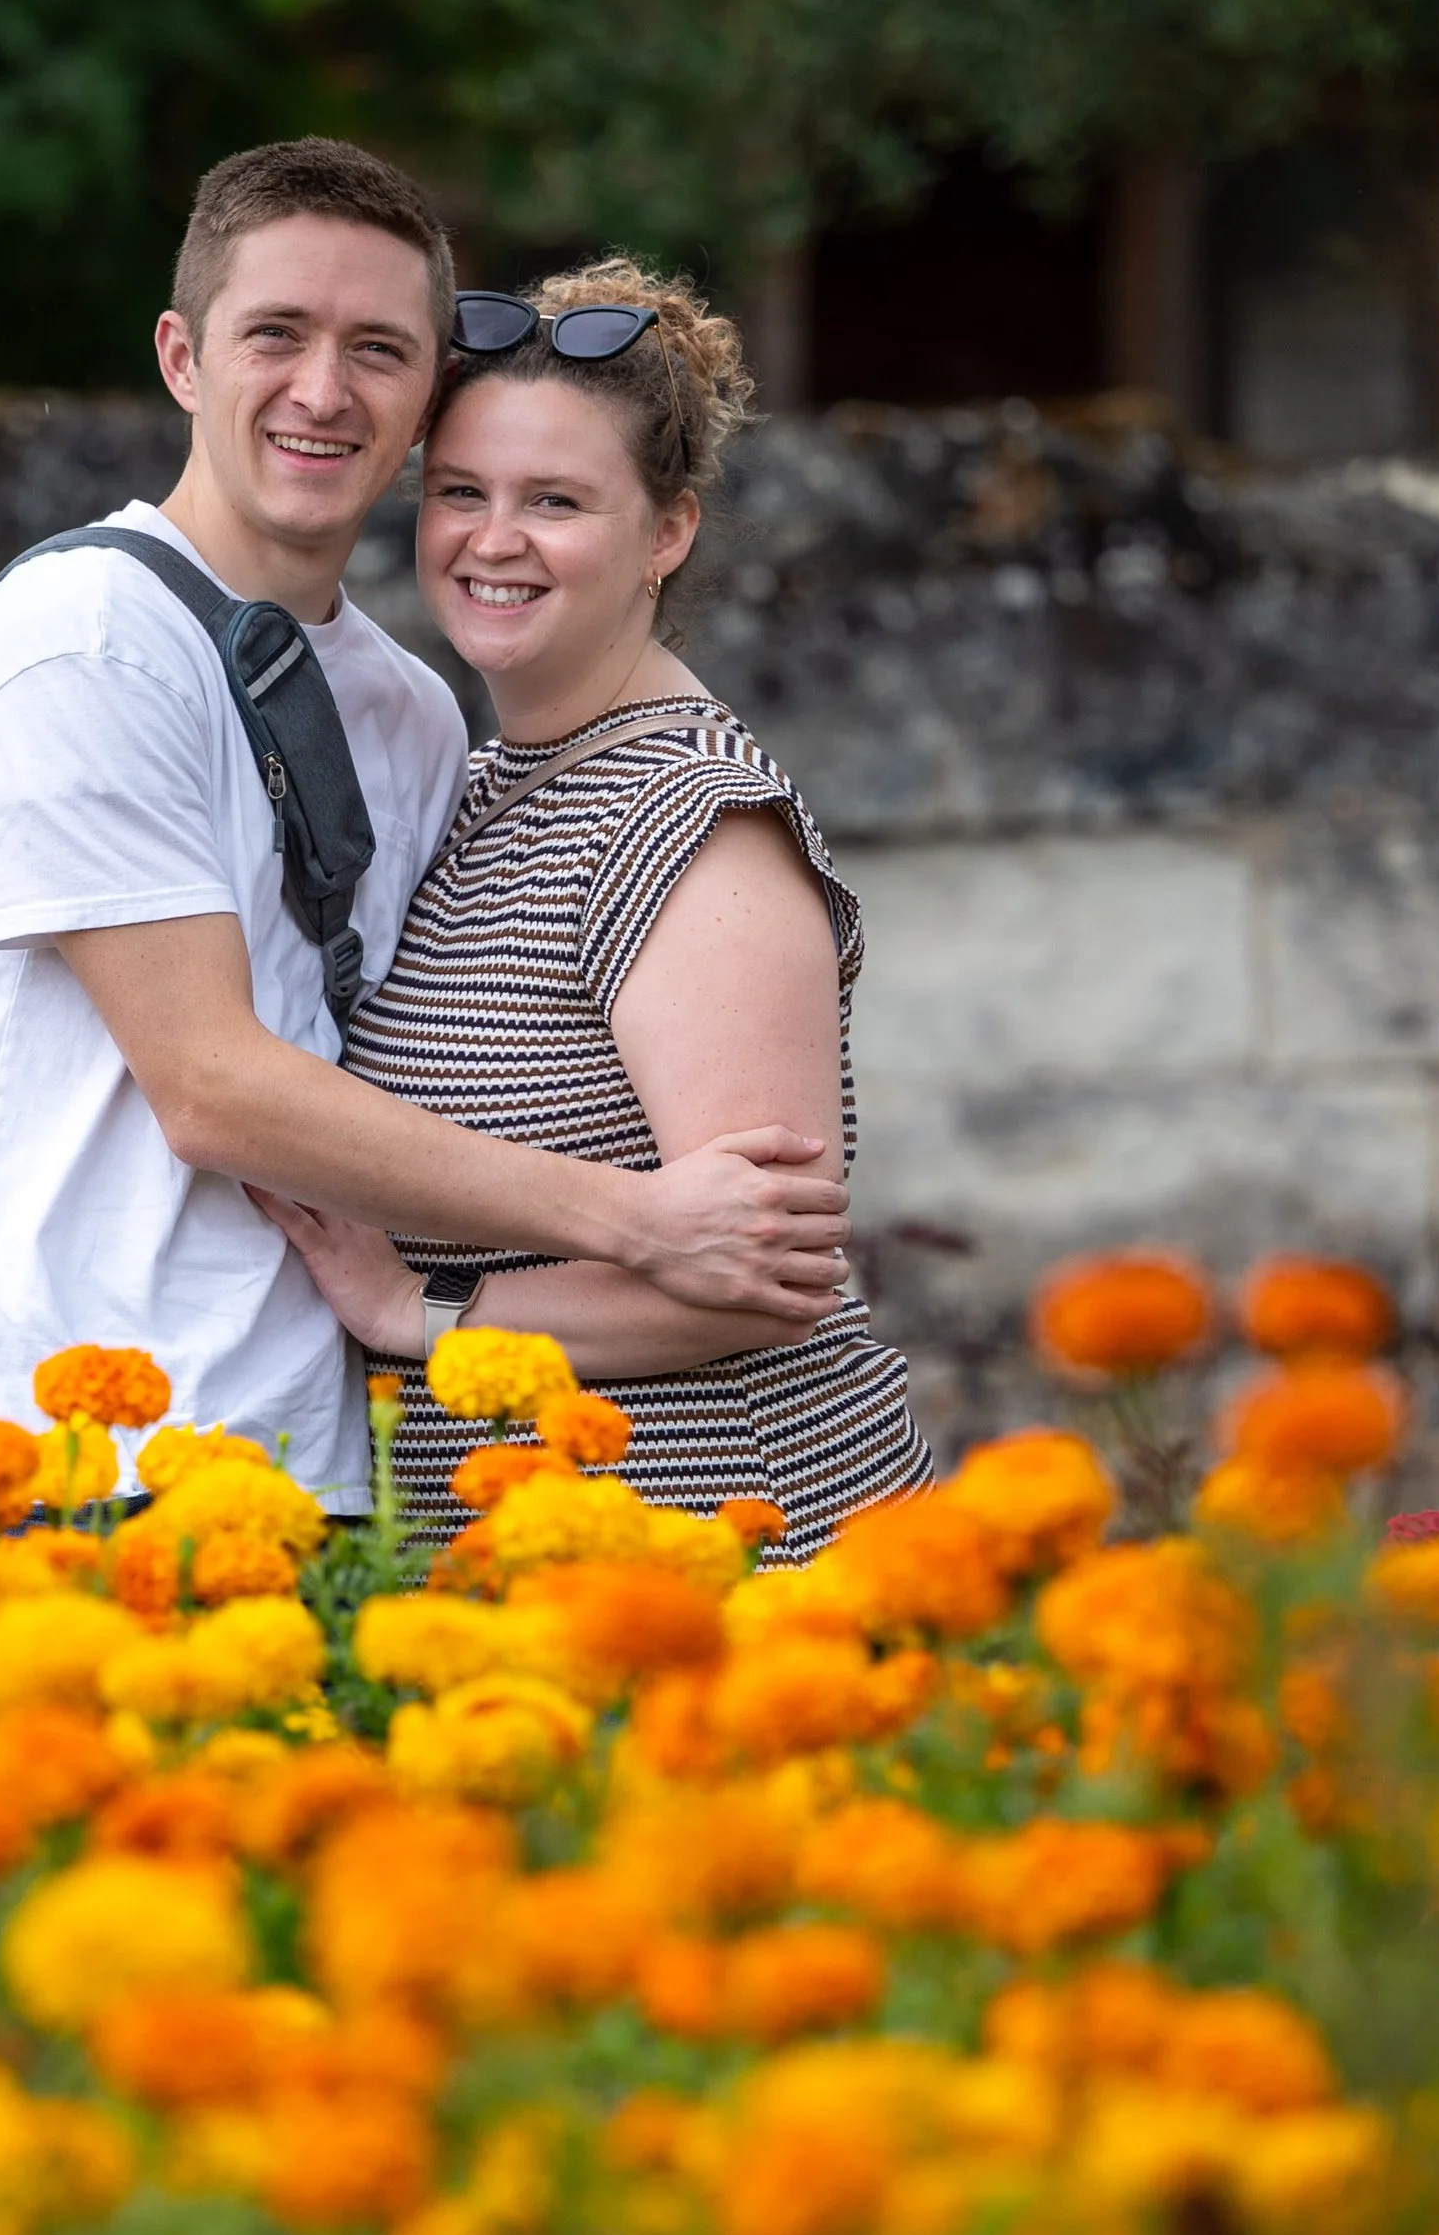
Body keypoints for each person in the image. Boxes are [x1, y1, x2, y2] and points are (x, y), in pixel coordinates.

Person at [0, 146, 851, 1512]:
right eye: (276, 333)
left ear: (419, 404)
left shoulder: (412, 713)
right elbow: (212, 1085)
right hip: (81, 1463)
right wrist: (635, 1219)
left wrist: (419, 1314)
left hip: (332, 1456)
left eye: (379, 350)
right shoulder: (84, 644)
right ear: (182, 358)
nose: (325, 391)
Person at [249, 257, 930, 1558]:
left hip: (731, 1553)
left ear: (666, 531)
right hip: (544, 1563)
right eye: (460, 493)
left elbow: (765, 1287)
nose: (491, 541)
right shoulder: (477, 780)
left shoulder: (691, 831)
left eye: (554, 501)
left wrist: (416, 1311)